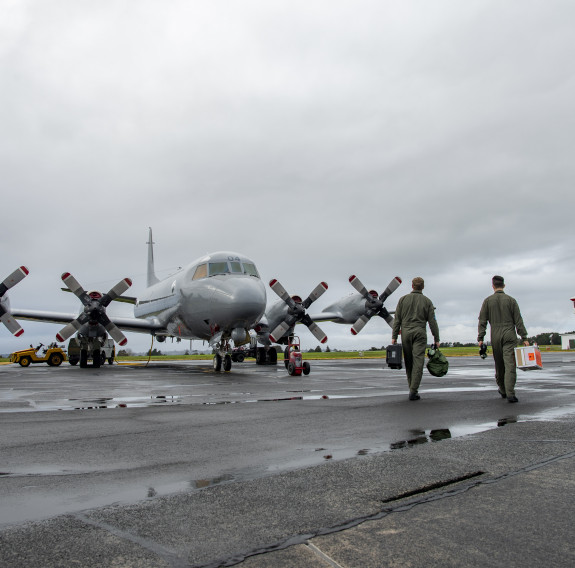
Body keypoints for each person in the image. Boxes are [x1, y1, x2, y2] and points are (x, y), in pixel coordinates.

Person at [478, 275, 529, 403]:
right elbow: (518, 321)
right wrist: (524, 337)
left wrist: (480, 337)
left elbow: (482, 320)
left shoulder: (487, 301)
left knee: (499, 365)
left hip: (495, 334)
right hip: (509, 334)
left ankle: (502, 389)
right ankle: (510, 393)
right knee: (510, 364)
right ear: (504, 286)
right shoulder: (511, 301)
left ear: (493, 286)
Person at [391, 277, 440, 401]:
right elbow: (432, 322)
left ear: (412, 286)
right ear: (422, 287)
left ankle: (412, 388)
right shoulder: (427, 301)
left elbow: (397, 320)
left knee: (409, 362)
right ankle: (413, 390)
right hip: (420, 332)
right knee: (418, 362)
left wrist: (394, 336)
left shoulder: (402, 300)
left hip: (406, 333)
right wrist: (436, 338)